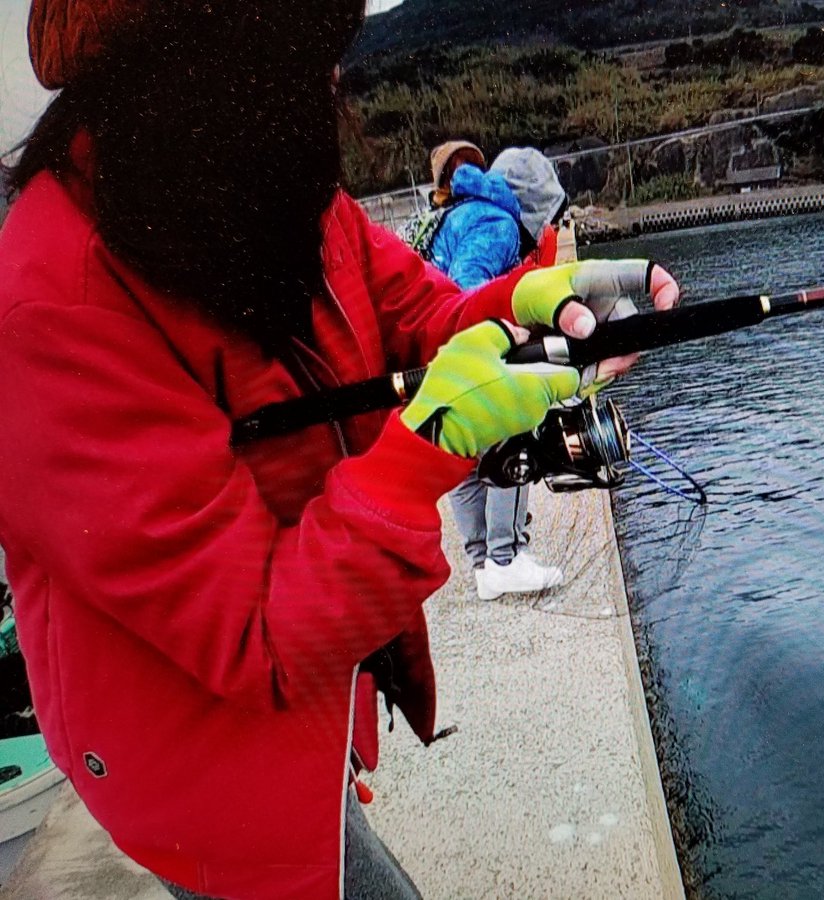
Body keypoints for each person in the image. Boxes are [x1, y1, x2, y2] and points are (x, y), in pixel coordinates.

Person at [0, 2, 676, 898]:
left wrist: (526, 303)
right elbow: (256, 634)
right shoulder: (51, 306)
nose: (331, 83)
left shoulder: (272, 195)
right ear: (199, 65)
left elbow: (418, 317)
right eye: (300, 55)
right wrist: (428, 445)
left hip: (312, 721)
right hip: (204, 779)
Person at [426, 145, 571, 600]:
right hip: (458, 349)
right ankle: (507, 556)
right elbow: (465, 293)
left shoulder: (463, 211)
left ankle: (483, 564)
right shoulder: (499, 222)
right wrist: (512, 335)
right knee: (517, 427)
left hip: (430, 357)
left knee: (464, 457)